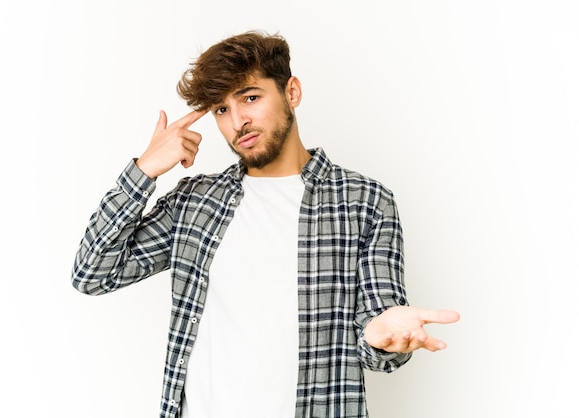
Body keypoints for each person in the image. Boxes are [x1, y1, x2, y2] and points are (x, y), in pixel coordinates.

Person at [71, 30, 460, 418]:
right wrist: (145, 170)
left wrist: (380, 337)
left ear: (292, 92)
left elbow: (383, 338)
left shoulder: (364, 202)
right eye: (221, 110)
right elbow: (92, 273)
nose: (238, 121)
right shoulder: (195, 202)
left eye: (250, 98)